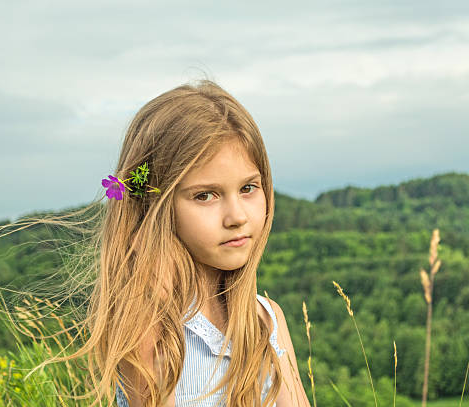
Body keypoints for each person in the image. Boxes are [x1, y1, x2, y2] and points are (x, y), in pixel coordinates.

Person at [54, 79, 309, 407]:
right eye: (205, 195)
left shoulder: (267, 318)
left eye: (248, 188)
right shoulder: (152, 325)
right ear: (156, 207)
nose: (236, 216)